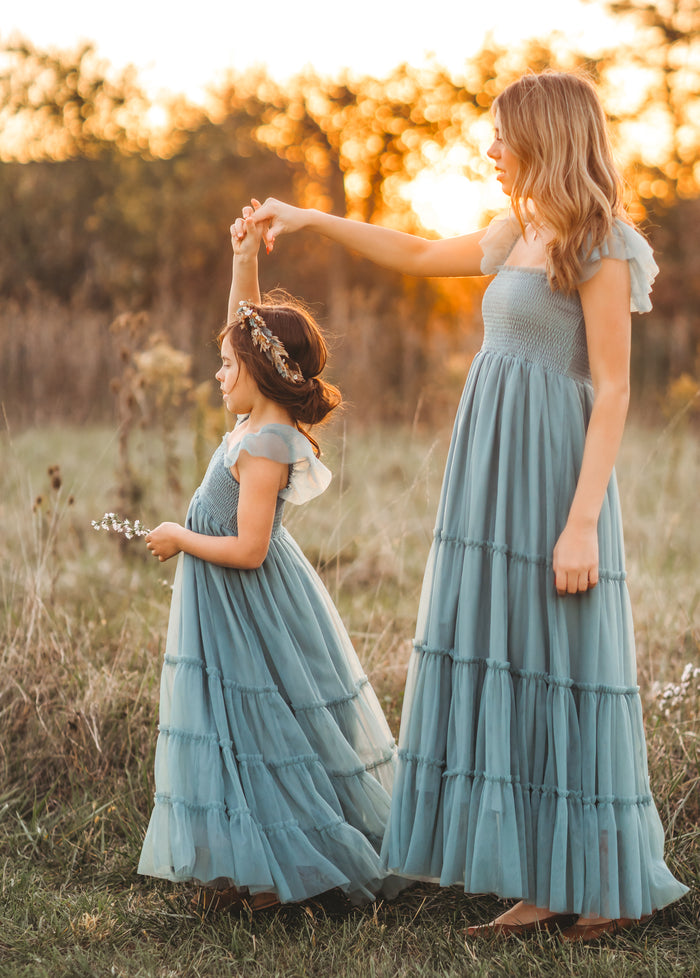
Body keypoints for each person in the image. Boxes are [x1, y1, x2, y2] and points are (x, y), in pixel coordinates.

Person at [244, 71, 688, 938]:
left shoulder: (602, 244)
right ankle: (540, 878)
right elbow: (412, 252)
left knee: (563, 660)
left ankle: (596, 882)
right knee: (505, 654)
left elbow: (616, 391)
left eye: (501, 136)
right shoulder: (514, 234)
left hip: (555, 480)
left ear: (546, 137)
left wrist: (582, 521)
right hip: (489, 471)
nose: (489, 151)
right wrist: (306, 218)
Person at [138, 208, 400, 911]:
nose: (220, 374)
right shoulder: (255, 415)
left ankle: (293, 866)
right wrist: (243, 256)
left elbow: (250, 549)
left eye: (228, 365)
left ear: (259, 371)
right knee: (230, 718)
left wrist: (180, 536)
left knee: (267, 720)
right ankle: (244, 858)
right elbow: (243, 322)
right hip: (224, 600)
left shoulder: (268, 442)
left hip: (248, 597)